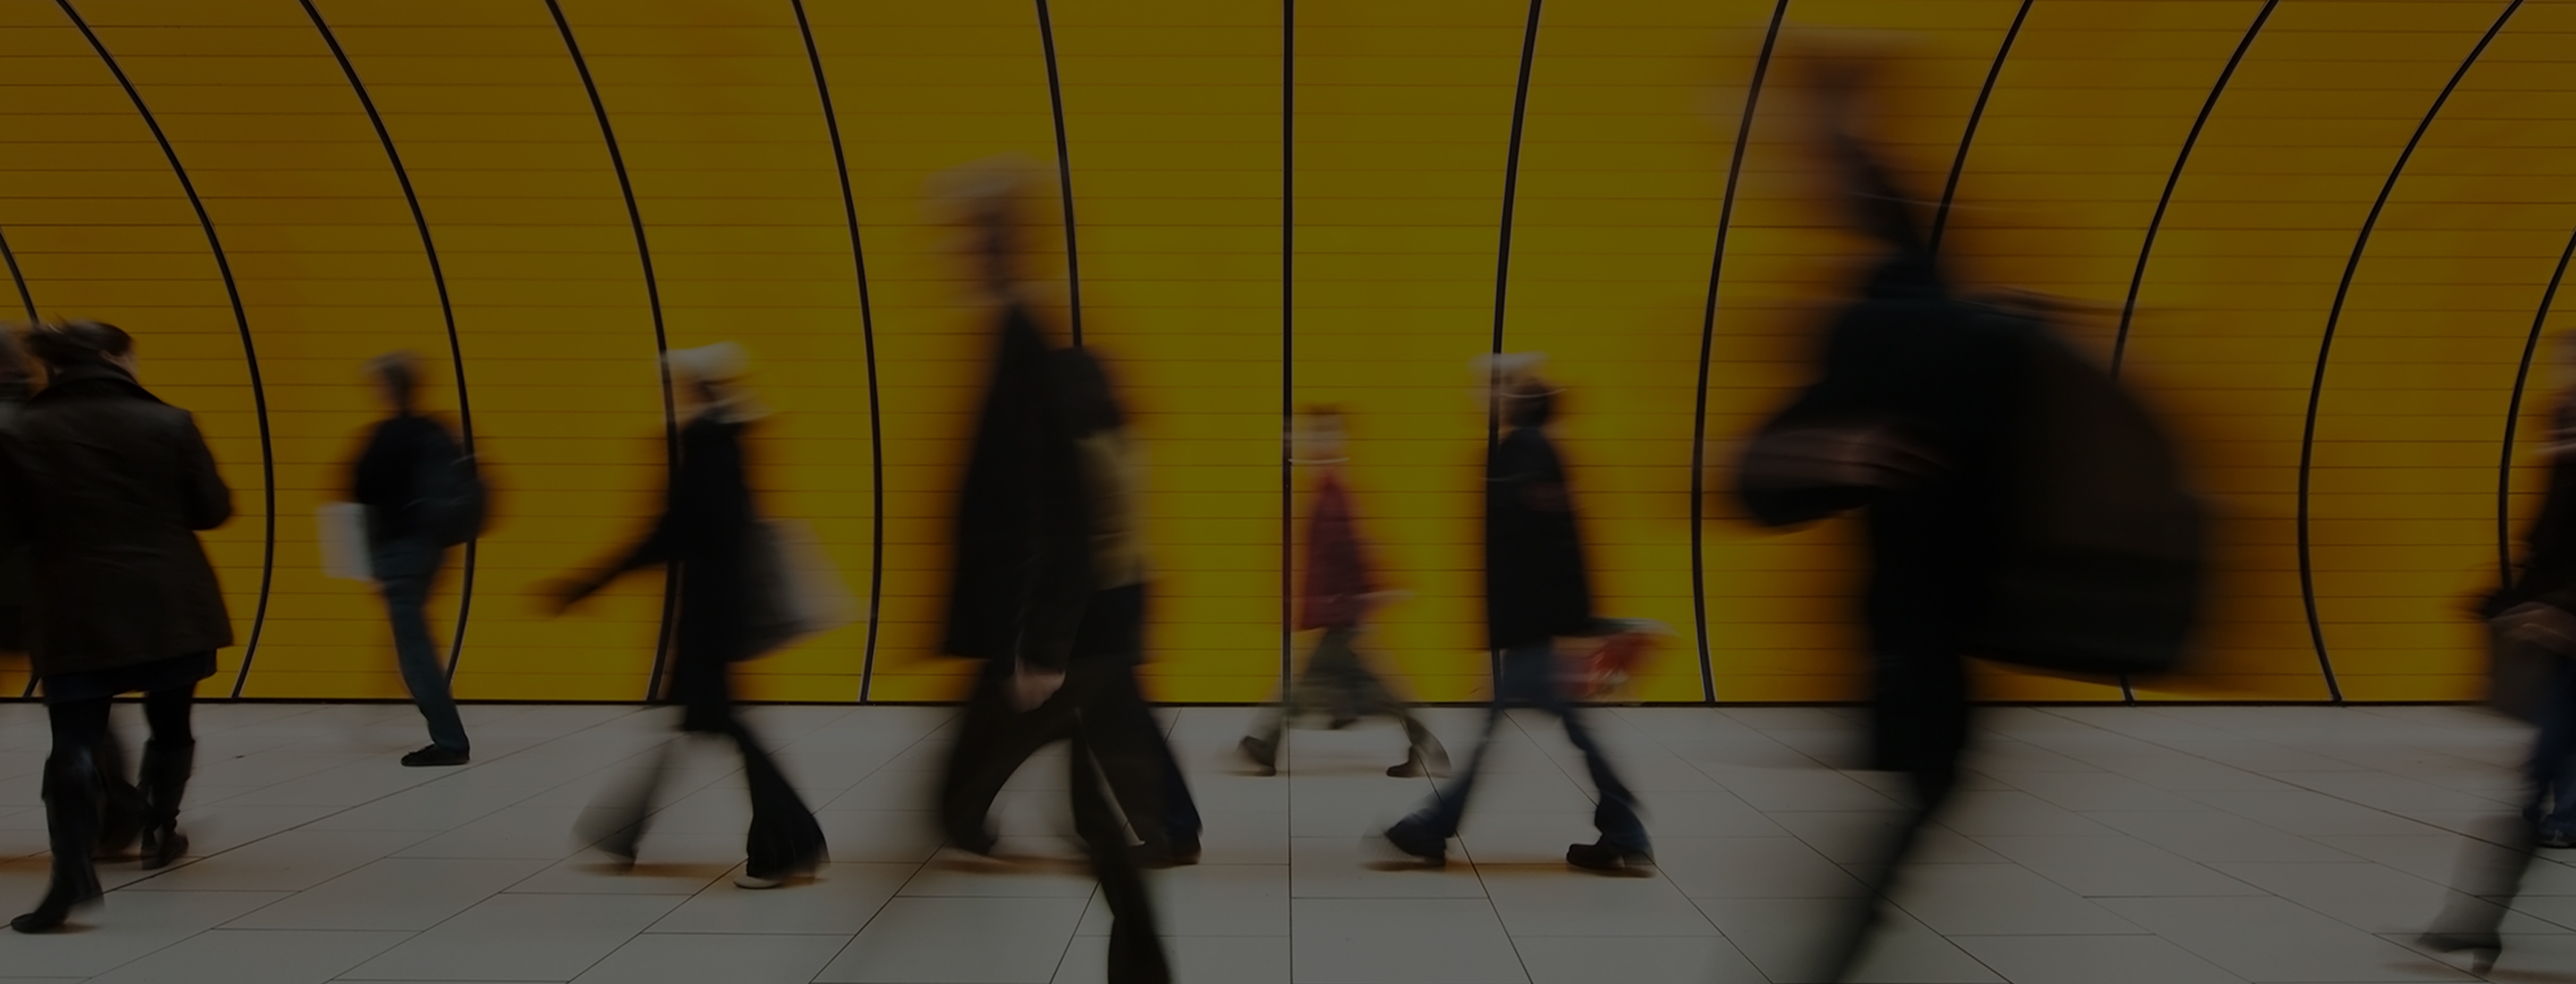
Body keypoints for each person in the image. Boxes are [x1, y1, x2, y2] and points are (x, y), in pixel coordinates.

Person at [1733, 72, 2026, 980]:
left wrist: (1819, 455)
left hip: (1909, 640)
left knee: (1914, 806)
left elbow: (1758, 485)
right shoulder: (1973, 340)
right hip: (1942, 640)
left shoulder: (1878, 352)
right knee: (1919, 804)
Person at [928, 159, 1172, 983]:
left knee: (1012, 800)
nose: (949, 255)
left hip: (1049, 633)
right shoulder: (1022, 345)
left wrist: (1040, 643)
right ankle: (1144, 965)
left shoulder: (1027, 349)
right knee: (1091, 812)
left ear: (992, 247)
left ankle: (1144, 957)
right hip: (1061, 628)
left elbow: (1060, 516)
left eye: (965, 238)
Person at [549, 343, 827, 890]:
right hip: (719, 610)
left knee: (720, 723)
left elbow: (673, 530)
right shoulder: (731, 434)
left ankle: (788, 843)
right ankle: (619, 832)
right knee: (693, 720)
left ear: (697, 386)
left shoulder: (704, 440)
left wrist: (590, 581)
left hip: (709, 615)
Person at [0, 319, 229, 932]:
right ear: (113, 359)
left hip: (72, 606)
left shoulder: (26, 431)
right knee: (170, 720)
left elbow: (9, 527)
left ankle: (71, 873)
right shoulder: (170, 421)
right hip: (168, 602)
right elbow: (213, 509)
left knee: (73, 740)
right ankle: (159, 827)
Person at [1382, 364, 1650, 873]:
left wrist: (1537, 633)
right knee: (1555, 730)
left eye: (1489, 385)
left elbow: (1539, 549)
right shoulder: (1526, 450)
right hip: (1535, 627)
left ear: (1512, 396)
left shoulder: (1523, 452)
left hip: (1532, 629)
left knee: (1496, 735)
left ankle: (1432, 828)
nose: (1476, 393)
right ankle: (1625, 832)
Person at [2418, 334, 2576, 972]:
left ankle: (2475, 921)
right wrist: (2514, 597)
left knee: (2542, 770)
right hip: (2564, 634)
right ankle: (2475, 922)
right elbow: (2550, 530)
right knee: (2537, 770)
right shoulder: (2562, 425)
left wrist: (2560, 607)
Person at [1240, 405, 1448, 777]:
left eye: (1322, 434)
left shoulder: (1333, 492)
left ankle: (1265, 744)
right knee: (1364, 684)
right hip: (1339, 609)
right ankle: (1422, 741)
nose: (1312, 441)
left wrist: (1366, 596)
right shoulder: (1327, 488)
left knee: (1307, 684)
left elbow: (1350, 553)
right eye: (1312, 435)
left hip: (1340, 610)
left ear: (1338, 441)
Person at [350, 352, 472, 767]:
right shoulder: (435, 429)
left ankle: (450, 742)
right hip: (433, 550)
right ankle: (441, 730)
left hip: (399, 553)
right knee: (412, 641)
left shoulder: (385, 436)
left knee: (415, 651)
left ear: (387, 387)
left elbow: (359, 493)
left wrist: (374, 563)